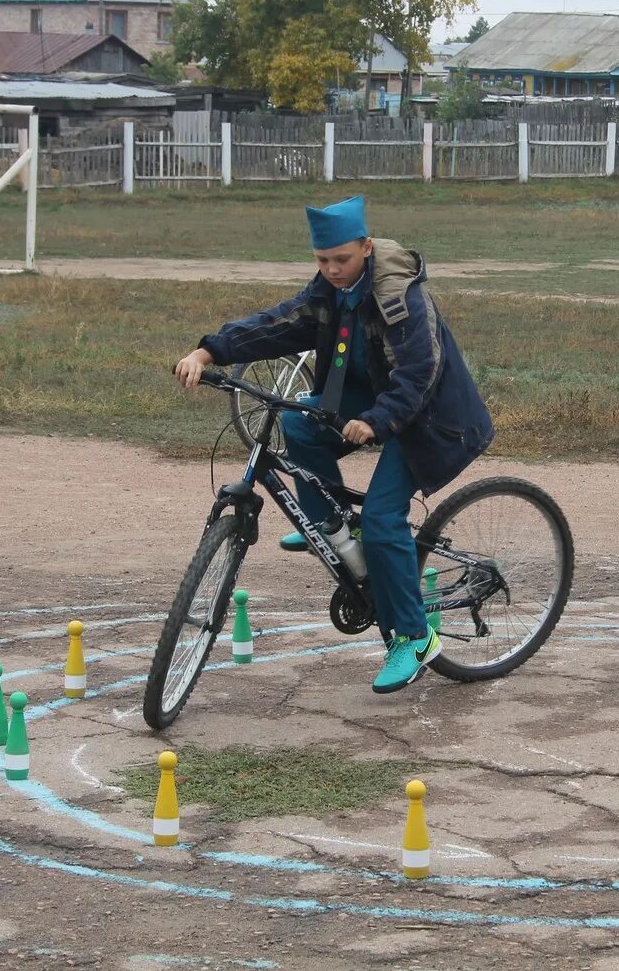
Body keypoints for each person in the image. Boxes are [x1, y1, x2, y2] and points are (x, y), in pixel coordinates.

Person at [175, 195, 494, 693]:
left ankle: (413, 637)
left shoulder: (401, 297)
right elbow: (280, 323)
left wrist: (377, 420)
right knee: (301, 427)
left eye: (341, 259)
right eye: (322, 260)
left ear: (366, 247)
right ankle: (328, 523)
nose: (331, 269)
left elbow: (419, 372)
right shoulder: (329, 289)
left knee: (385, 520)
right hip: (372, 403)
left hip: (430, 420)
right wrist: (208, 349)